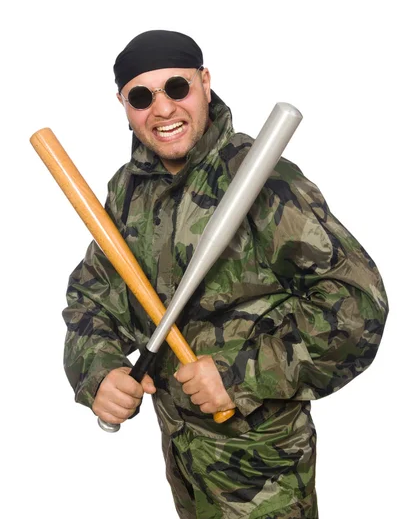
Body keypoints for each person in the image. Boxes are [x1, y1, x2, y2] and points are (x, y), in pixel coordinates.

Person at [62, 30, 388, 519]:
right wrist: (99, 370)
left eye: (177, 87)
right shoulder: (129, 190)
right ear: (123, 104)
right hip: (185, 465)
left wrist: (238, 375)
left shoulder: (264, 181)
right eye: (141, 96)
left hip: (264, 476)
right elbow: (96, 297)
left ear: (205, 83)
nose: (163, 108)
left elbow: (358, 308)